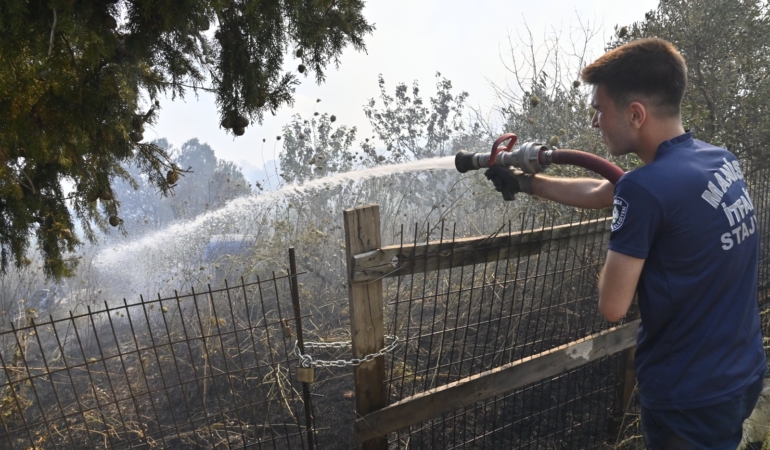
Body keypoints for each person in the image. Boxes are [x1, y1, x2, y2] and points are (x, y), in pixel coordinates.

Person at [485, 38, 767, 449]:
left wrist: (625, 236)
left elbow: (612, 306)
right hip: (741, 371)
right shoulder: (717, 160)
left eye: (600, 109)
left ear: (635, 114)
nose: (595, 121)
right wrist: (527, 183)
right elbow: (607, 188)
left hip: (689, 398)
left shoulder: (646, 191)